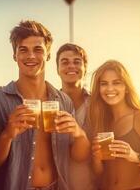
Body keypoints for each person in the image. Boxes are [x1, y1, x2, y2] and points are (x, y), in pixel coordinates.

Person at [0, 20, 90, 190]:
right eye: (23, 50)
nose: (31, 56)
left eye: (38, 49)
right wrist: (8, 134)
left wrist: (78, 133)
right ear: (14, 56)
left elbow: (79, 156)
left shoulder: (63, 101)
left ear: (47, 55)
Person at [89, 60, 140, 190]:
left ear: (126, 88)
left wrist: (136, 157)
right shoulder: (100, 121)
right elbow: (99, 174)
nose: (110, 88)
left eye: (116, 83)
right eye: (104, 84)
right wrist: (96, 158)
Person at [56, 43, 97, 190]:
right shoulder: (49, 104)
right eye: (65, 62)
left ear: (85, 68)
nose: (71, 66)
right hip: (58, 185)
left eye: (77, 62)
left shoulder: (98, 105)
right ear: (57, 69)